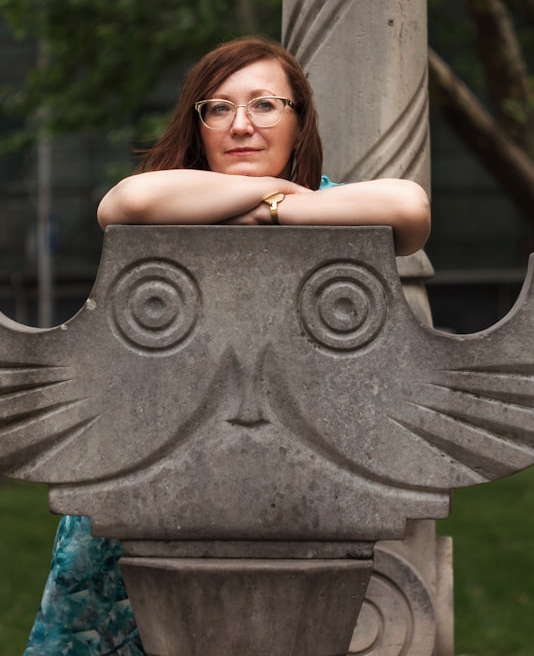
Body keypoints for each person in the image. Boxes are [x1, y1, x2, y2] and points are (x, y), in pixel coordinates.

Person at [24, 36, 430, 655]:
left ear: (299, 119)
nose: (242, 125)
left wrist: (282, 208)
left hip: (288, 467)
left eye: (265, 105)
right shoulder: (178, 198)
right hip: (153, 459)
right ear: (200, 124)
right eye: (218, 108)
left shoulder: (325, 199)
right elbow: (124, 202)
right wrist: (280, 199)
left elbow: (410, 208)